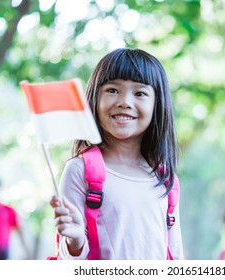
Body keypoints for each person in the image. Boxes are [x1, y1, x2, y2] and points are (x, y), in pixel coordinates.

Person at [50, 48, 184, 260]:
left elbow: (175, 256)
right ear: (95, 97)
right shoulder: (80, 171)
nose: (124, 102)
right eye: (113, 90)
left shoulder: (165, 179)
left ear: (157, 104)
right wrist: (74, 241)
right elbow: (69, 262)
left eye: (140, 93)